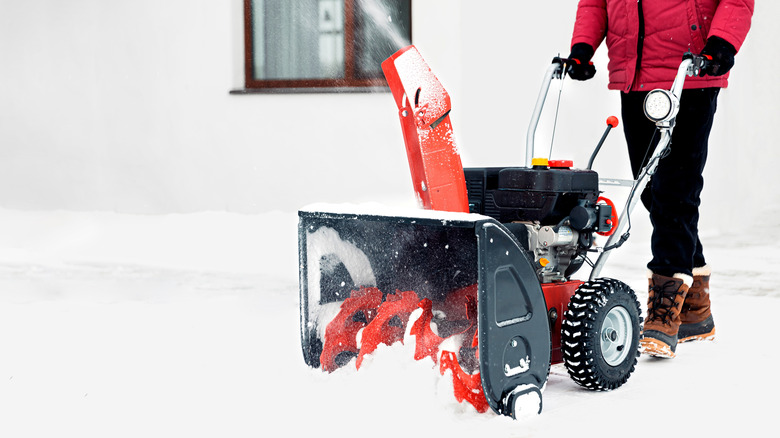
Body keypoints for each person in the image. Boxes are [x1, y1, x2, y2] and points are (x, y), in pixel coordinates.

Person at [566, 0, 753, 358]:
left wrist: (722, 43)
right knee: (652, 190)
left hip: (691, 72)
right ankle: (696, 309)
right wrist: (583, 47)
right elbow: (595, 3)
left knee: (675, 192)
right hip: (634, 77)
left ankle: (664, 311)